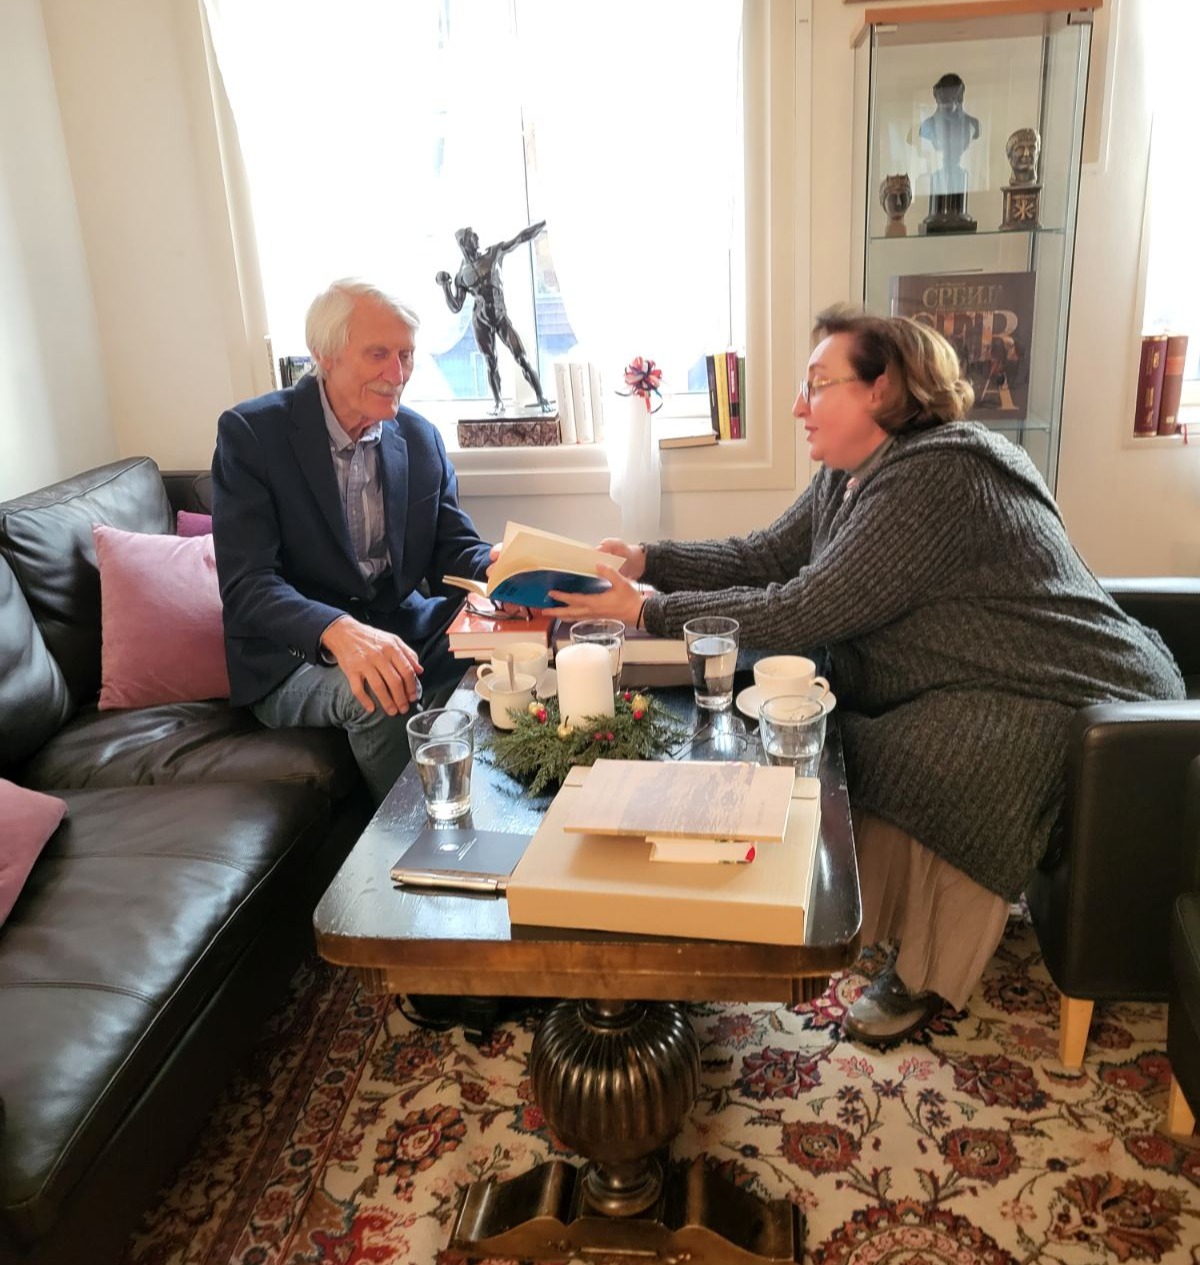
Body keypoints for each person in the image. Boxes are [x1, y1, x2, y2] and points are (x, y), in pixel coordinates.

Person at [545, 305, 1186, 1046]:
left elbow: (804, 608)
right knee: (838, 727)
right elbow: (765, 555)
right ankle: (856, 912)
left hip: (1083, 689)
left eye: (818, 384)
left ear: (882, 390)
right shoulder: (850, 475)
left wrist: (646, 610)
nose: (798, 406)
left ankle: (927, 966)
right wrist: (650, 560)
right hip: (998, 674)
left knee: (938, 756)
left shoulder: (938, 477)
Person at [211, 279, 493, 804]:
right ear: (325, 354)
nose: (398, 374)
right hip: (292, 655)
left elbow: (453, 551)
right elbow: (248, 585)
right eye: (378, 354)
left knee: (509, 641)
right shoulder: (252, 435)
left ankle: (505, 809)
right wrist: (338, 631)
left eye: (406, 355)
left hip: (399, 629)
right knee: (379, 689)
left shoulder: (420, 438)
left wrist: (504, 568)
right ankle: (412, 836)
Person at [435, 222, 550, 413]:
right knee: (491, 362)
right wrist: (445, 286)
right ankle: (498, 402)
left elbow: (519, 238)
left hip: (500, 315)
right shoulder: (461, 275)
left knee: (521, 357)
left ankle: (541, 397)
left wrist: (544, 224)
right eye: (473, 237)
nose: (477, 238)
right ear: (464, 243)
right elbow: (456, 306)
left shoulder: (493, 254)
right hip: (481, 319)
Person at [919, 73, 980, 196]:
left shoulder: (972, 125)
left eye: (952, 98)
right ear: (937, 98)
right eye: (944, 100)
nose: (948, 104)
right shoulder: (927, 126)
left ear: (960, 98)